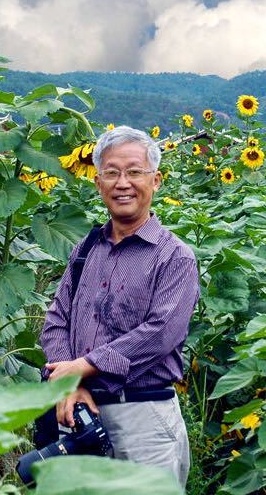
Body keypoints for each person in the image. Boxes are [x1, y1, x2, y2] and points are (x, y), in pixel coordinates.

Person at [41, 125, 200, 488]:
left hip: (142, 419)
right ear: (98, 183)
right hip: (79, 413)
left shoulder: (174, 257)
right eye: (112, 173)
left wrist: (82, 366)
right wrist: (71, 385)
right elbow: (56, 321)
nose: (122, 183)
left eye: (134, 172)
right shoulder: (85, 249)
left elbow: (160, 335)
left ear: (156, 180)